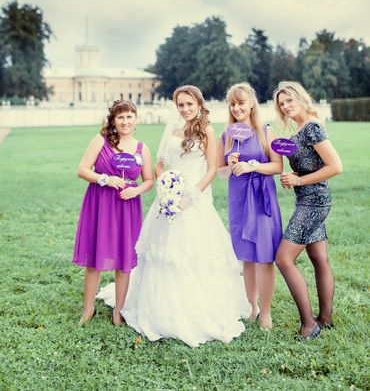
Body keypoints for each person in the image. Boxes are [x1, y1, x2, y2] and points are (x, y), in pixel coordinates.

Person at [97, 85, 250, 347]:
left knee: (192, 253)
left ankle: (196, 306)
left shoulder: (208, 131)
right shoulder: (172, 129)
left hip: (194, 198)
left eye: (189, 104)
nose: (185, 109)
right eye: (180, 105)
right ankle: (158, 305)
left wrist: (189, 196)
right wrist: (164, 184)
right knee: (162, 252)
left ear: (199, 105)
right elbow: (160, 164)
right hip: (168, 197)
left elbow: (212, 169)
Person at [72, 100, 153, 326]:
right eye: (121, 117)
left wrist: (136, 190)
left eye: (129, 117)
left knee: (124, 259)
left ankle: (119, 310)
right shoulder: (101, 140)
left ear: (136, 119)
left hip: (127, 207)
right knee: (94, 258)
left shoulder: (142, 148)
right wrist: (106, 179)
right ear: (113, 120)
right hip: (100, 203)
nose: (125, 121)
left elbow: (149, 180)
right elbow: (82, 170)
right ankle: (88, 309)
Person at [273, 81, 342, 338]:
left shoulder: (311, 127)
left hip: (314, 201)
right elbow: (313, 164)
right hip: (309, 199)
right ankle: (325, 318)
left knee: (283, 258)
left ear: (302, 98)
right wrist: (296, 173)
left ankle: (309, 325)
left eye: (289, 100)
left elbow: (335, 166)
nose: (286, 106)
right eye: (282, 104)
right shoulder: (302, 128)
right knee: (318, 259)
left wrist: (299, 180)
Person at [217, 82, 283, 330]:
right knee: (247, 257)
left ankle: (265, 311)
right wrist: (230, 163)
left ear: (252, 103)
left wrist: (253, 165)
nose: (236, 108)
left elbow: (277, 167)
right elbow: (220, 171)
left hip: (262, 199)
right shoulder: (227, 135)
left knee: (265, 256)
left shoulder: (267, 132)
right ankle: (251, 305)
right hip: (239, 199)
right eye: (232, 104)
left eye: (241, 103)